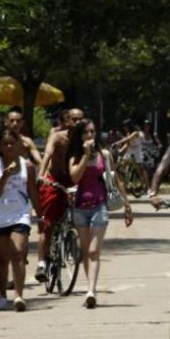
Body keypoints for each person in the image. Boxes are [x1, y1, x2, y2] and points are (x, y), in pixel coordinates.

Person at [68, 119, 134, 308]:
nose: (90, 135)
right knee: (85, 250)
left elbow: (116, 179)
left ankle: (91, 290)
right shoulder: (75, 156)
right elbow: (74, 177)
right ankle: (91, 288)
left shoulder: (104, 155)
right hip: (80, 207)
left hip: (100, 207)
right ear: (80, 136)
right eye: (86, 132)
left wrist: (127, 205)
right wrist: (85, 155)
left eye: (92, 132)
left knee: (93, 251)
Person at [0, 127, 41, 312]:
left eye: (13, 143)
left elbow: (33, 193)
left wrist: (41, 216)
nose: (9, 146)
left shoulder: (27, 166)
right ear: (0, 146)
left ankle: (19, 295)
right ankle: (2, 297)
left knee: (18, 252)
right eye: (5, 143)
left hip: (21, 214)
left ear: (19, 144)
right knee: (2, 258)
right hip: (0, 216)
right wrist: (4, 176)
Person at [34, 108, 84, 282]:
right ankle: (41, 263)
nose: (77, 123)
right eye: (74, 119)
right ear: (66, 121)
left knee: (83, 214)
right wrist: (41, 175)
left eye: (80, 120)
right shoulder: (57, 137)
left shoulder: (84, 140)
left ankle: (75, 244)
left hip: (72, 181)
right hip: (53, 180)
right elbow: (47, 155)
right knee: (47, 225)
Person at [112, 119, 151, 193]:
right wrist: (121, 150)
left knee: (141, 168)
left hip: (137, 149)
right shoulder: (128, 133)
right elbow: (127, 143)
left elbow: (128, 139)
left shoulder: (136, 133)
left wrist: (117, 143)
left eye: (125, 127)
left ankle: (148, 187)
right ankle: (126, 181)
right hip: (130, 149)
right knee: (121, 166)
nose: (124, 128)